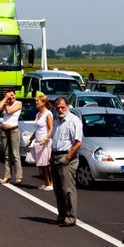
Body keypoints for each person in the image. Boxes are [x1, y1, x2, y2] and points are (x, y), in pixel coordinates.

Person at [50, 96, 82, 227]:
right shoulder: (56, 120)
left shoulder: (74, 120)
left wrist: (67, 158)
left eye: (62, 107)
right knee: (58, 189)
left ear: (67, 106)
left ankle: (70, 217)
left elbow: (78, 142)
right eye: (57, 108)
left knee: (68, 190)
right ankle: (61, 215)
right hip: (55, 156)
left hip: (67, 157)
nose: (60, 110)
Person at [0, 90, 24, 184]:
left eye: (12, 95)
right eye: (9, 95)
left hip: (13, 130)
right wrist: (5, 99)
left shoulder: (19, 103)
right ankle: (7, 176)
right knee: (6, 155)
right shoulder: (5, 102)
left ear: (15, 95)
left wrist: (6, 103)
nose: (11, 97)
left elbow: (10, 111)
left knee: (15, 154)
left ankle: (19, 177)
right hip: (4, 131)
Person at [28, 93, 54, 190]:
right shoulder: (38, 114)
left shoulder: (48, 114)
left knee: (46, 164)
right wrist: (31, 139)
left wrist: (45, 139)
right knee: (41, 165)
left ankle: (51, 184)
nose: (36, 103)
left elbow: (51, 128)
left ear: (43, 103)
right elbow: (37, 130)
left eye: (37, 101)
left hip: (45, 141)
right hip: (38, 141)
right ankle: (46, 183)